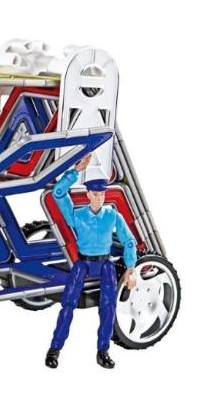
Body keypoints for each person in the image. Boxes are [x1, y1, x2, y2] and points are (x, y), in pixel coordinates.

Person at [45, 154, 137, 369]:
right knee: (68, 305)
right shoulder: (77, 215)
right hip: (83, 263)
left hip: (105, 264)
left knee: (108, 307)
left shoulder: (112, 216)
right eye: (95, 194)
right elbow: (58, 193)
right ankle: (55, 349)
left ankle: (103, 351)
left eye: (102, 194)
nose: (99, 198)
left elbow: (129, 240)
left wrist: (131, 268)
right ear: (88, 194)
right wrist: (76, 171)